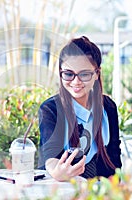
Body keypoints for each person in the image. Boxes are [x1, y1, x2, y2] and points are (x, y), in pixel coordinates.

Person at [38, 36, 122, 181]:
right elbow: (50, 155)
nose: (76, 82)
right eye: (69, 74)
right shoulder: (51, 109)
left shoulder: (108, 107)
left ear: (97, 74)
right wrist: (57, 170)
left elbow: (114, 159)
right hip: (61, 188)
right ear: (60, 73)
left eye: (84, 74)